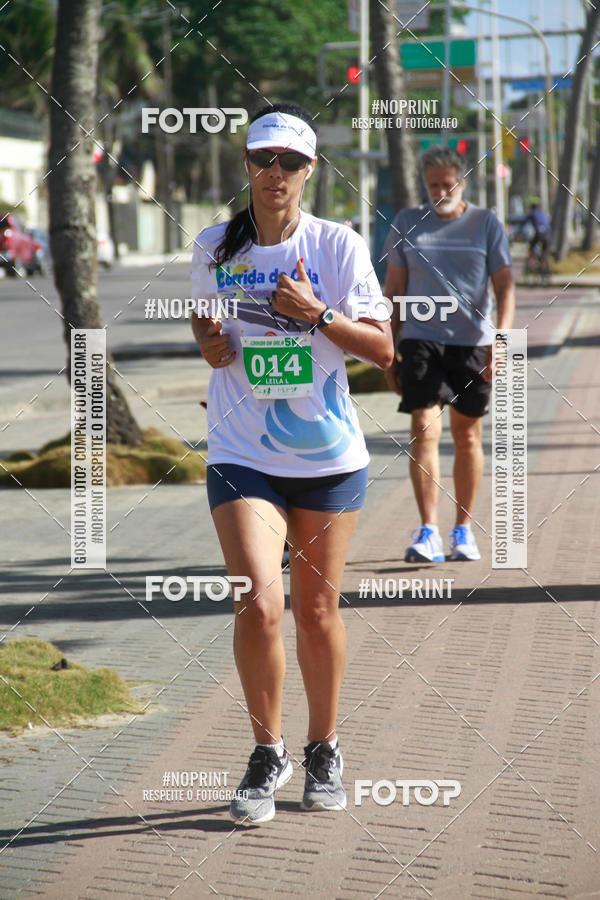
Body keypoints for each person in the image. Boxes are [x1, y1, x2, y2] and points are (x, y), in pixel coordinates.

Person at [190, 102, 393, 824]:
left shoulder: (338, 246)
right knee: (258, 601)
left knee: (314, 609)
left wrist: (315, 315)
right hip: (242, 450)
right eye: (262, 159)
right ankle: (264, 752)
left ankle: (324, 747)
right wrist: (210, 339)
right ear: (245, 163)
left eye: (291, 162)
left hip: (329, 456)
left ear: (310, 171)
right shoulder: (216, 244)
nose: (274, 173)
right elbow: (212, 346)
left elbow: (382, 350)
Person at [383, 145, 515, 563]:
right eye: (433, 184)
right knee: (424, 427)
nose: (441, 191)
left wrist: (502, 341)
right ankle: (428, 532)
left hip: (472, 343)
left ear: (463, 183)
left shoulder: (486, 224)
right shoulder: (407, 223)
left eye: (449, 183)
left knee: (467, 435)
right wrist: (388, 349)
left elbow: (506, 287)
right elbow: (394, 292)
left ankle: (462, 530)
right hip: (420, 339)